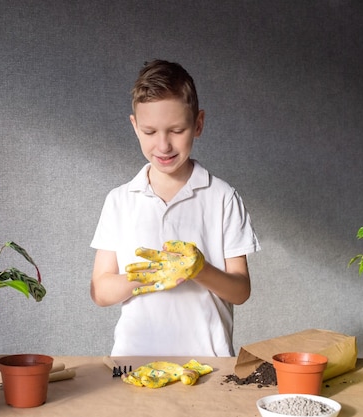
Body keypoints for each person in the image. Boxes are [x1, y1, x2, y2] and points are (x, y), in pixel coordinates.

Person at [90, 59, 260, 357]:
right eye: (150, 131)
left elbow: (240, 291)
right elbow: (100, 292)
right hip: (132, 360)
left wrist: (199, 269)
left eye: (176, 130)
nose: (163, 145)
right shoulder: (120, 200)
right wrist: (147, 273)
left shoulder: (222, 197)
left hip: (209, 363)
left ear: (198, 124)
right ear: (135, 127)